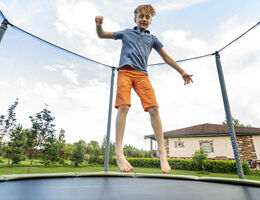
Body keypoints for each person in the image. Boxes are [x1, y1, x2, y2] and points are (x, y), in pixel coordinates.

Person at [95, 4, 193, 173]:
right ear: (135, 19)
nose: (144, 19)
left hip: (142, 75)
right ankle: (119, 153)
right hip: (125, 72)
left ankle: (163, 154)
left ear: (150, 21)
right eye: (141, 16)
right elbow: (102, 35)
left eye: (147, 18)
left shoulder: (152, 39)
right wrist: (99, 25)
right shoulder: (126, 32)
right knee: (124, 106)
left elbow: (167, 57)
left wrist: (182, 71)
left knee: (154, 108)